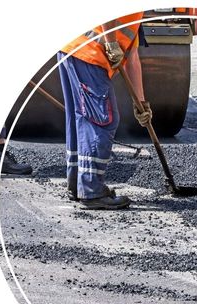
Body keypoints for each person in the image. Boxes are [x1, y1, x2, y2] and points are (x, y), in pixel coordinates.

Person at [57, 12, 152, 210]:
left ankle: (78, 184)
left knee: (81, 119)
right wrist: (110, 42)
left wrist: (141, 103)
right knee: (101, 120)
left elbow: (132, 57)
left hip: (73, 48)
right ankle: (92, 191)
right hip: (88, 54)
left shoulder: (139, 14)